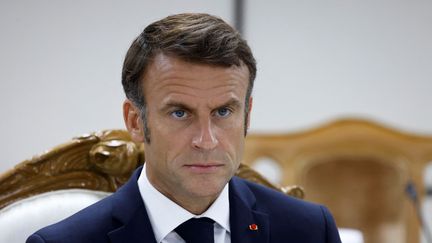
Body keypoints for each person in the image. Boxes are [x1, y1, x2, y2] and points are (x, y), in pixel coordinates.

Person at [27, 13, 341, 243]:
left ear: (247, 116)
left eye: (223, 111)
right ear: (136, 122)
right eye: (180, 113)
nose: (206, 141)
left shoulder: (310, 230)